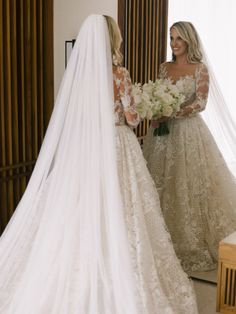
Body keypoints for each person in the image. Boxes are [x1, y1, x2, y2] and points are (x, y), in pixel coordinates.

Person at [0, 15, 198, 313]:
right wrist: (142, 109)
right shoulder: (119, 74)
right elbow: (131, 117)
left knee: (81, 207)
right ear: (111, 38)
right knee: (124, 209)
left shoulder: (80, 74)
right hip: (117, 145)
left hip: (86, 146)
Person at [143, 21, 236, 273]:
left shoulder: (199, 69)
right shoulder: (165, 67)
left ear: (188, 41)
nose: (173, 44)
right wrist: (157, 110)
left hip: (188, 133)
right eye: (171, 39)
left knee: (187, 182)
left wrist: (173, 110)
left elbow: (201, 103)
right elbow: (158, 93)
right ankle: (158, 240)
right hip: (161, 134)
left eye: (178, 40)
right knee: (160, 180)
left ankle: (189, 240)